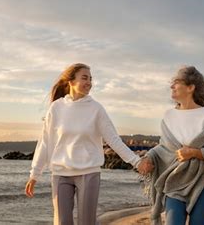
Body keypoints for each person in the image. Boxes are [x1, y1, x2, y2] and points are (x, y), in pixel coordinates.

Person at [25, 63, 149, 225]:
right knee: (62, 222)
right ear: (70, 81)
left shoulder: (96, 109)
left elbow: (113, 140)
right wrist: (34, 175)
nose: (89, 82)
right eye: (84, 78)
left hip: (88, 173)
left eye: (91, 79)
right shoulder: (56, 108)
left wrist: (136, 161)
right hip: (61, 174)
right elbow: (45, 143)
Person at [138, 66, 204, 225]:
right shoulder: (168, 116)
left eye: (176, 82)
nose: (171, 86)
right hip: (174, 181)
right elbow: (164, 148)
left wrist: (196, 153)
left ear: (190, 87)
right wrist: (150, 157)